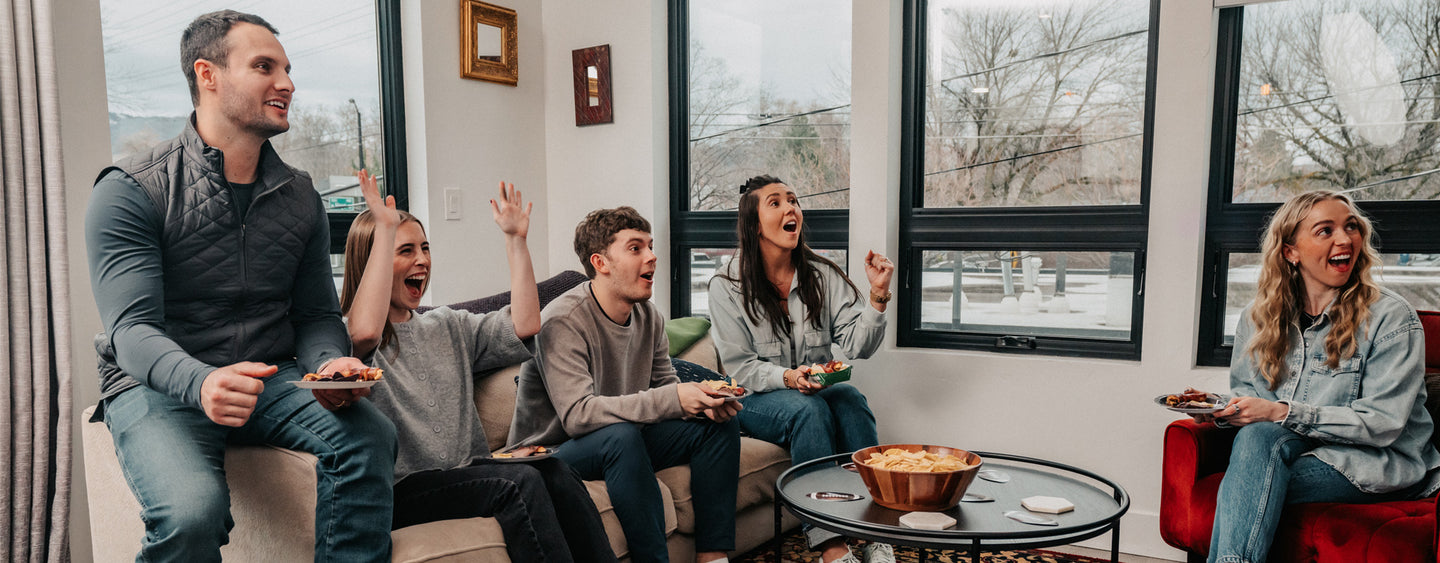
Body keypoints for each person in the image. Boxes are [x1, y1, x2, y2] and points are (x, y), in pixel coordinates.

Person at [84, 10, 396, 562]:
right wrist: (202, 383)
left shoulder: (301, 196)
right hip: (158, 386)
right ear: (208, 75)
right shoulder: (131, 189)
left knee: (369, 436)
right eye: (263, 66)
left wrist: (328, 363)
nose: (288, 84)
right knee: (191, 512)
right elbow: (131, 330)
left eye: (288, 69)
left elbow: (316, 315)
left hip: (270, 377)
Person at [340, 171, 616, 563]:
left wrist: (516, 241)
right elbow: (365, 332)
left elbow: (524, 325)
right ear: (374, 261)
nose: (422, 259)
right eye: (404, 251)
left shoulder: (447, 325)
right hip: (404, 489)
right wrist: (382, 234)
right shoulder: (346, 340)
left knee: (552, 470)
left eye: (425, 247)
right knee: (517, 482)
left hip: (469, 473)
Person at [1197, 190, 1440, 563]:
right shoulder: (1256, 318)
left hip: (1372, 461)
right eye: (1325, 231)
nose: (1345, 239)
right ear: (1290, 251)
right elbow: (1252, 405)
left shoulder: (1392, 318)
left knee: (1246, 486)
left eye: (1351, 227)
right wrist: (1221, 410)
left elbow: (1383, 424)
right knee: (1257, 450)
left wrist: (1280, 412)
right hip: (1284, 451)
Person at [508, 207, 743, 563]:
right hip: (551, 453)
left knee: (716, 427)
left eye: (650, 246)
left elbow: (666, 388)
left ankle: (712, 557)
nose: (652, 256)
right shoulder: (562, 321)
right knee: (621, 436)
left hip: (623, 436)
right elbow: (577, 415)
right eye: (636, 248)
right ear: (600, 262)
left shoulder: (649, 316)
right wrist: (672, 397)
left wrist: (703, 401)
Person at [707, 175, 896, 563]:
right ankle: (831, 544)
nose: (791, 208)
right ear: (754, 224)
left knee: (850, 399)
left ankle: (876, 530)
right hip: (755, 399)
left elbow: (860, 346)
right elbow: (740, 368)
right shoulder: (726, 286)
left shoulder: (821, 275)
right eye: (775, 203)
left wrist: (877, 297)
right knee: (808, 411)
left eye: (793, 200)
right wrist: (789, 378)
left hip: (811, 388)